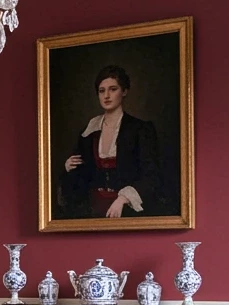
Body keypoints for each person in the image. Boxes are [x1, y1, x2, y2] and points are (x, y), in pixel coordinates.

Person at [59, 65, 160, 219]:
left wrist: (123, 199)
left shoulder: (140, 129)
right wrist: (68, 168)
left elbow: (151, 175)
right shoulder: (89, 131)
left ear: (124, 91)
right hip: (91, 208)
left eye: (113, 89)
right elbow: (81, 177)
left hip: (126, 208)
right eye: (102, 91)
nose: (106, 95)